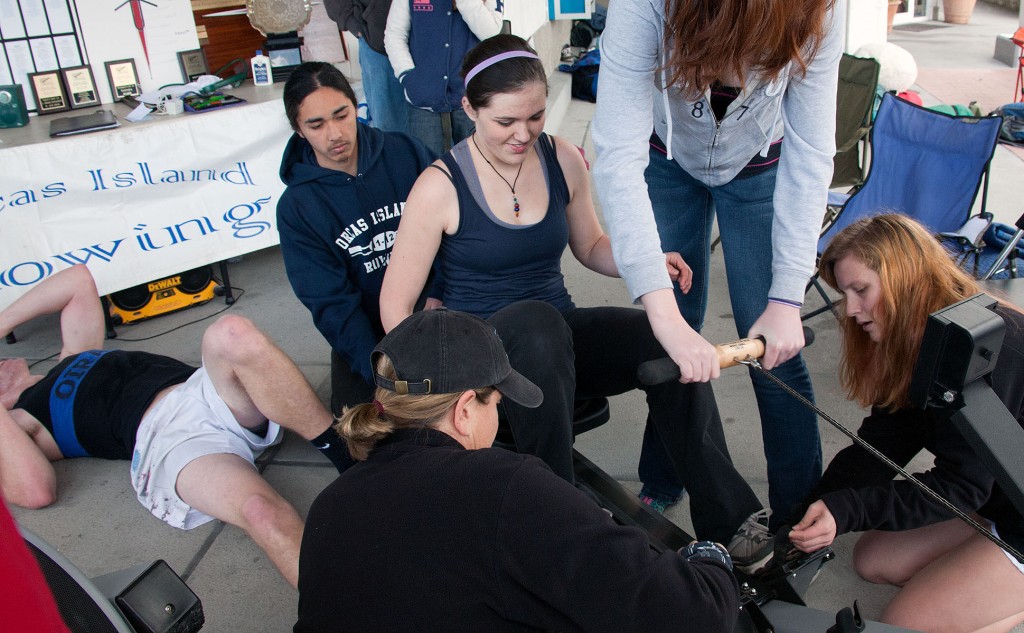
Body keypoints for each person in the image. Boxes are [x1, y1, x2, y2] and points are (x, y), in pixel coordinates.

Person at [380, 34, 773, 573]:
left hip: (553, 341)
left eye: (536, 116)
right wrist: (439, 383)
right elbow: (395, 307)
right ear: (470, 109)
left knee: (664, 338)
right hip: (487, 359)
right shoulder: (439, 186)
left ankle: (730, 523)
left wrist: (647, 261)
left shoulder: (561, 157)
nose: (523, 134)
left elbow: (589, 246)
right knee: (535, 324)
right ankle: (557, 519)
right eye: (505, 123)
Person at [295, 308, 741, 633]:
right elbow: (690, 615)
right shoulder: (504, 486)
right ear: (466, 410)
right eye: (497, 399)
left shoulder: (332, 503)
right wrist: (712, 561)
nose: (501, 408)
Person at [591, 0, 845, 526]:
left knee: (778, 350)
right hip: (667, 159)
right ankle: (664, 477)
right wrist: (663, 313)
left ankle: (799, 513)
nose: (738, 68)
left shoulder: (821, 9)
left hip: (760, 166)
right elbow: (617, 154)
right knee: (673, 339)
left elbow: (812, 153)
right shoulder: (643, 6)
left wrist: (786, 296)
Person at [0, 264, 345, 588]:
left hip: (204, 388)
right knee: (263, 514)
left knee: (231, 332)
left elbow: (77, 280)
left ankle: (342, 449)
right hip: (173, 439)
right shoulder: (20, 420)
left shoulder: (73, 355)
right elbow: (34, 491)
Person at [787, 214, 1024, 633]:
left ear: (905, 280)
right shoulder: (925, 340)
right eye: (846, 293)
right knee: (874, 560)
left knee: (905, 623)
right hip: (1000, 495)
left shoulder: (992, 346)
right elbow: (882, 444)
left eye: (861, 290)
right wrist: (806, 513)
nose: (851, 310)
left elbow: (961, 487)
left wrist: (852, 508)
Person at [276, 62, 436, 421]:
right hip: (369, 335)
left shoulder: (406, 153)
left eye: (341, 115)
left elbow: (455, 231)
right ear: (298, 130)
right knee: (365, 430)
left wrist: (440, 295)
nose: (335, 133)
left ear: (355, 106)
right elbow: (330, 303)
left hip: (438, 310)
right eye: (316, 125)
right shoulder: (297, 208)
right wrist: (379, 369)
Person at [383, 0, 502, 156]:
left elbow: (490, 32)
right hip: (423, 97)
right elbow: (394, 35)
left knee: (480, 163)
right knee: (428, 166)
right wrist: (407, 76)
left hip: (471, 95)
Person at [323, 0, 408, 133]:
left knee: (438, 132)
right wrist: (351, 22)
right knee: (389, 131)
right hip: (377, 40)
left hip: (433, 39)